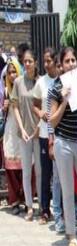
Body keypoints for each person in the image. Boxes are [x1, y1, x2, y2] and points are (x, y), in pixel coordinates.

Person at [48, 47, 77, 246]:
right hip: (63, 143)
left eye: (73, 60)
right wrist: (64, 100)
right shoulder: (55, 88)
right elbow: (52, 121)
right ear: (61, 64)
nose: (71, 64)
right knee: (67, 189)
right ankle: (71, 233)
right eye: (67, 61)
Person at [12, 48, 40, 222]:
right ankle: (29, 206)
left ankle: (42, 206)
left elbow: (44, 107)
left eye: (30, 61)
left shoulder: (40, 82)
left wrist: (38, 129)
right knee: (26, 172)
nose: (27, 64)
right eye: (25, 61)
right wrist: (21, 129)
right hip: (23, 133)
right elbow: (14, 107)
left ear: (35, 62)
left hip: (39, 133)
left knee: (40, 172)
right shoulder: (18, 82)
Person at [32, 47, 58, 225]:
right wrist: (40, 113)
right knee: (45, 173)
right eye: (45, 61)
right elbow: (34, 104)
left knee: (60, 175)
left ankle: (61, 210)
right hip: (43, 134)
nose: (46, 64)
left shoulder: (62, 80)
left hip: (60, 134)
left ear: (55, 61)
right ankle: (45, 211)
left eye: (49, 61)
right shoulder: (41, 82)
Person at [3, 58, 24, 214]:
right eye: (9, 73)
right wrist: (4, 108)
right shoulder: (5, 91)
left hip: (23, 129)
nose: (12, 75)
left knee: (26, 166)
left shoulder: (24, 89)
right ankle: (14, 200)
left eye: (14, 71)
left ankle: (25, 198)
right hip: (10, 130)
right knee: (11, 167)